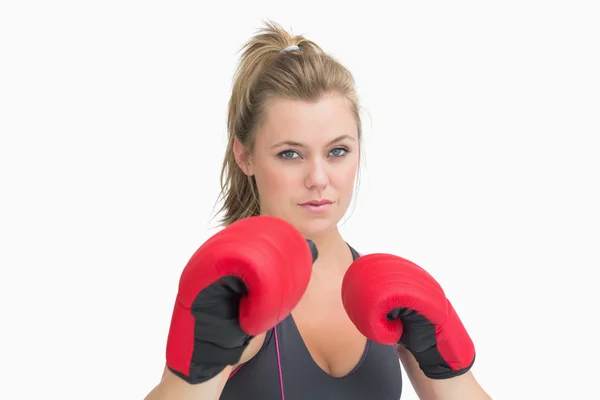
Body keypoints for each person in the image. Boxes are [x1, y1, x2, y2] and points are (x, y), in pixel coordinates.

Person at [144, 20, 491, 400]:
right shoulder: (232, 289)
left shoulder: (393, 293)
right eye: (290, 154)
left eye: (337, 151)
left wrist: (448, 365)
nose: (319, 178)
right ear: (245, 156)